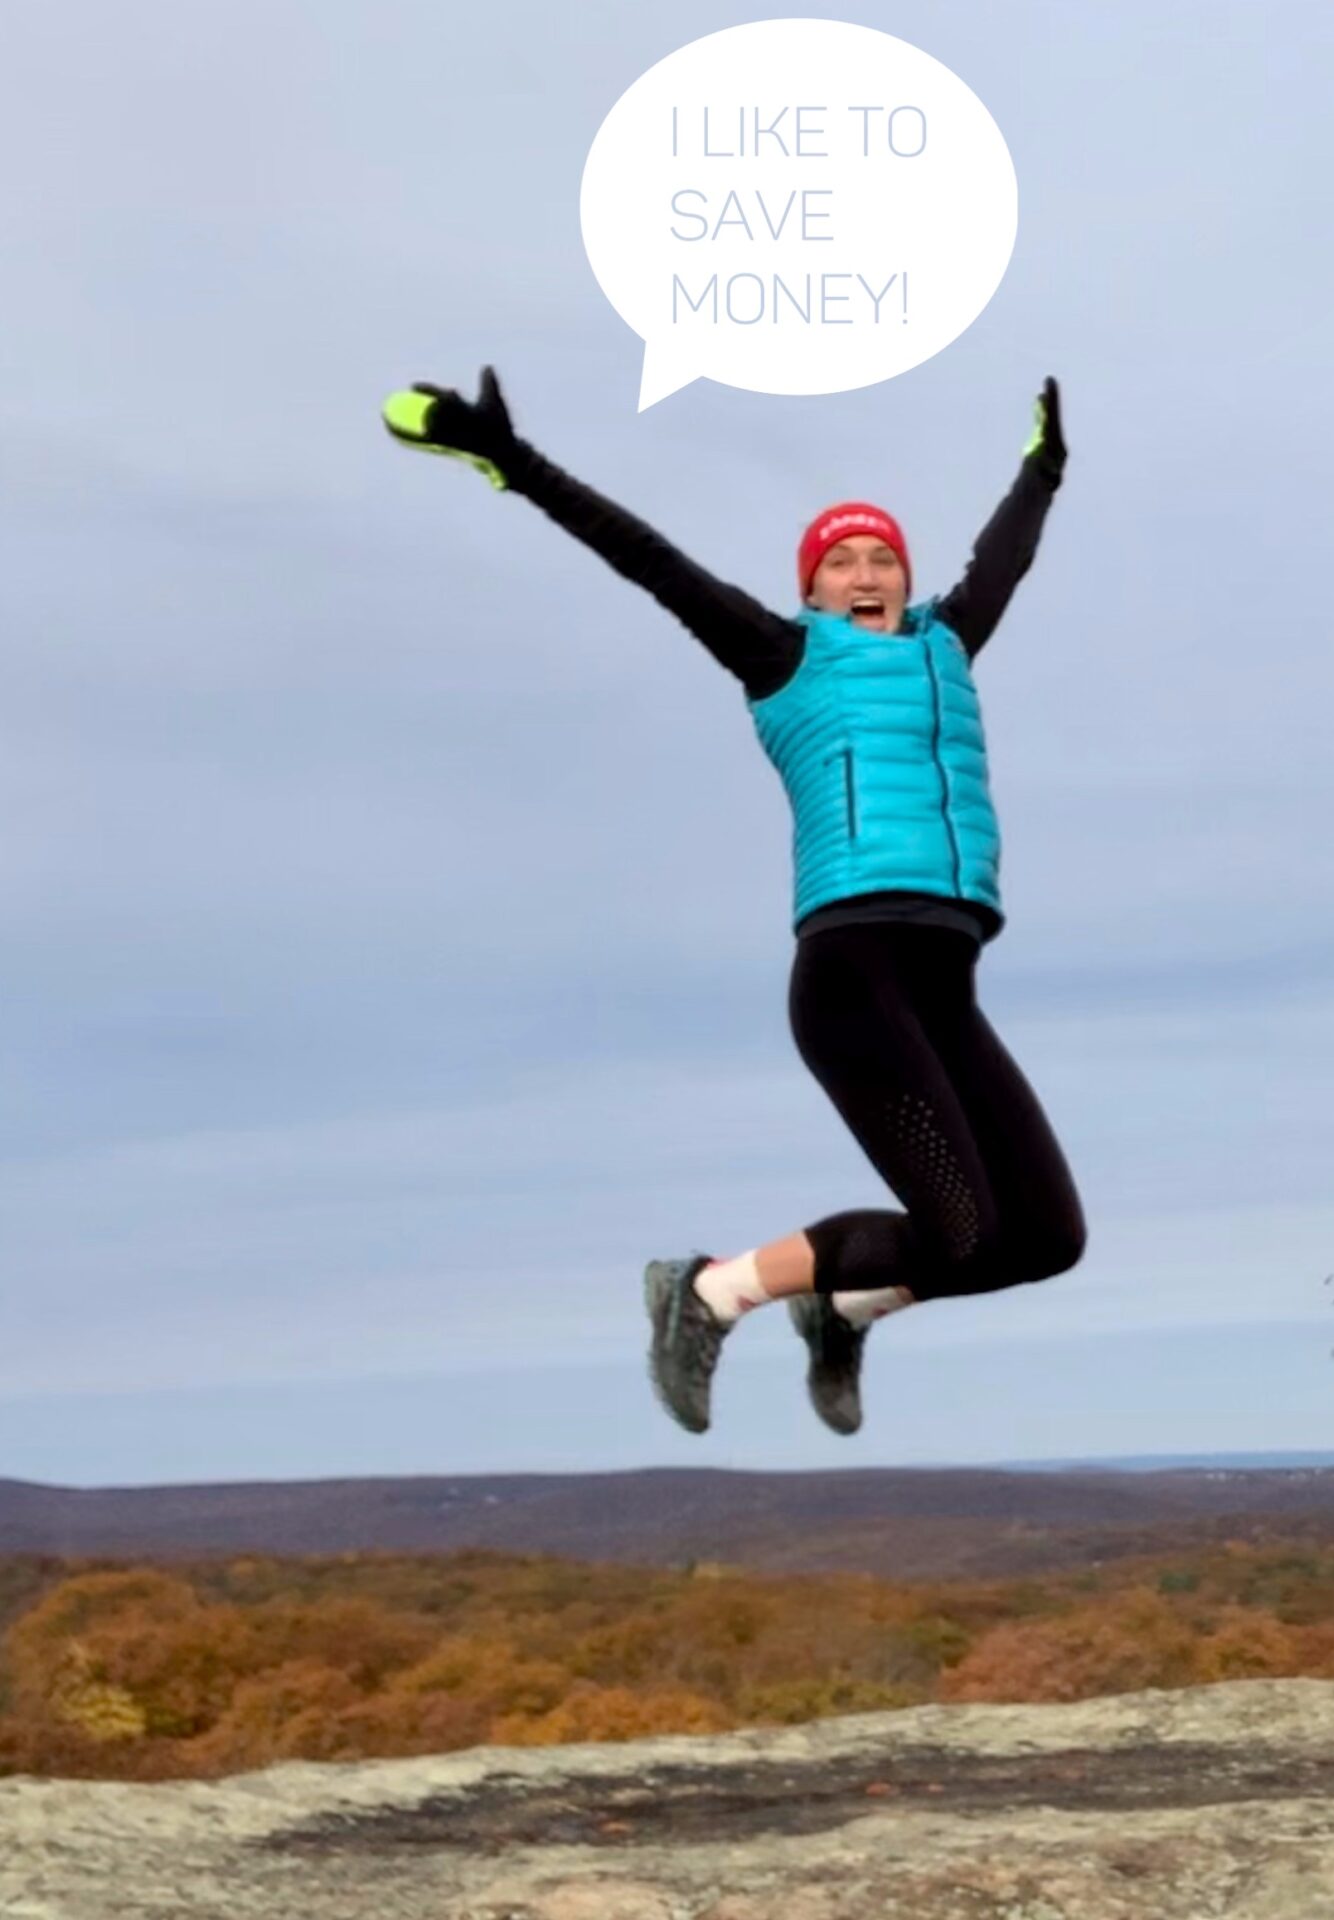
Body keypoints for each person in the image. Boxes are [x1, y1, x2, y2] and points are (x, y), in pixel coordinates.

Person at [382, 369, 1085, 1435]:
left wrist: (1043, 469)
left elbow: (1005, 559)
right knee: (963, 1234)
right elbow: (650, 560)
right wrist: (515, 463)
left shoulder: (946, 648)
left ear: (904, 578)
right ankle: (709, 1289)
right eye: (839, 560)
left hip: (949, 982)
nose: (864, 572)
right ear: (810, 589)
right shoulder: (784, 657)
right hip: (854, 975)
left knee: (1044, 1239)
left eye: (880, 556)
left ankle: (847, 1307)